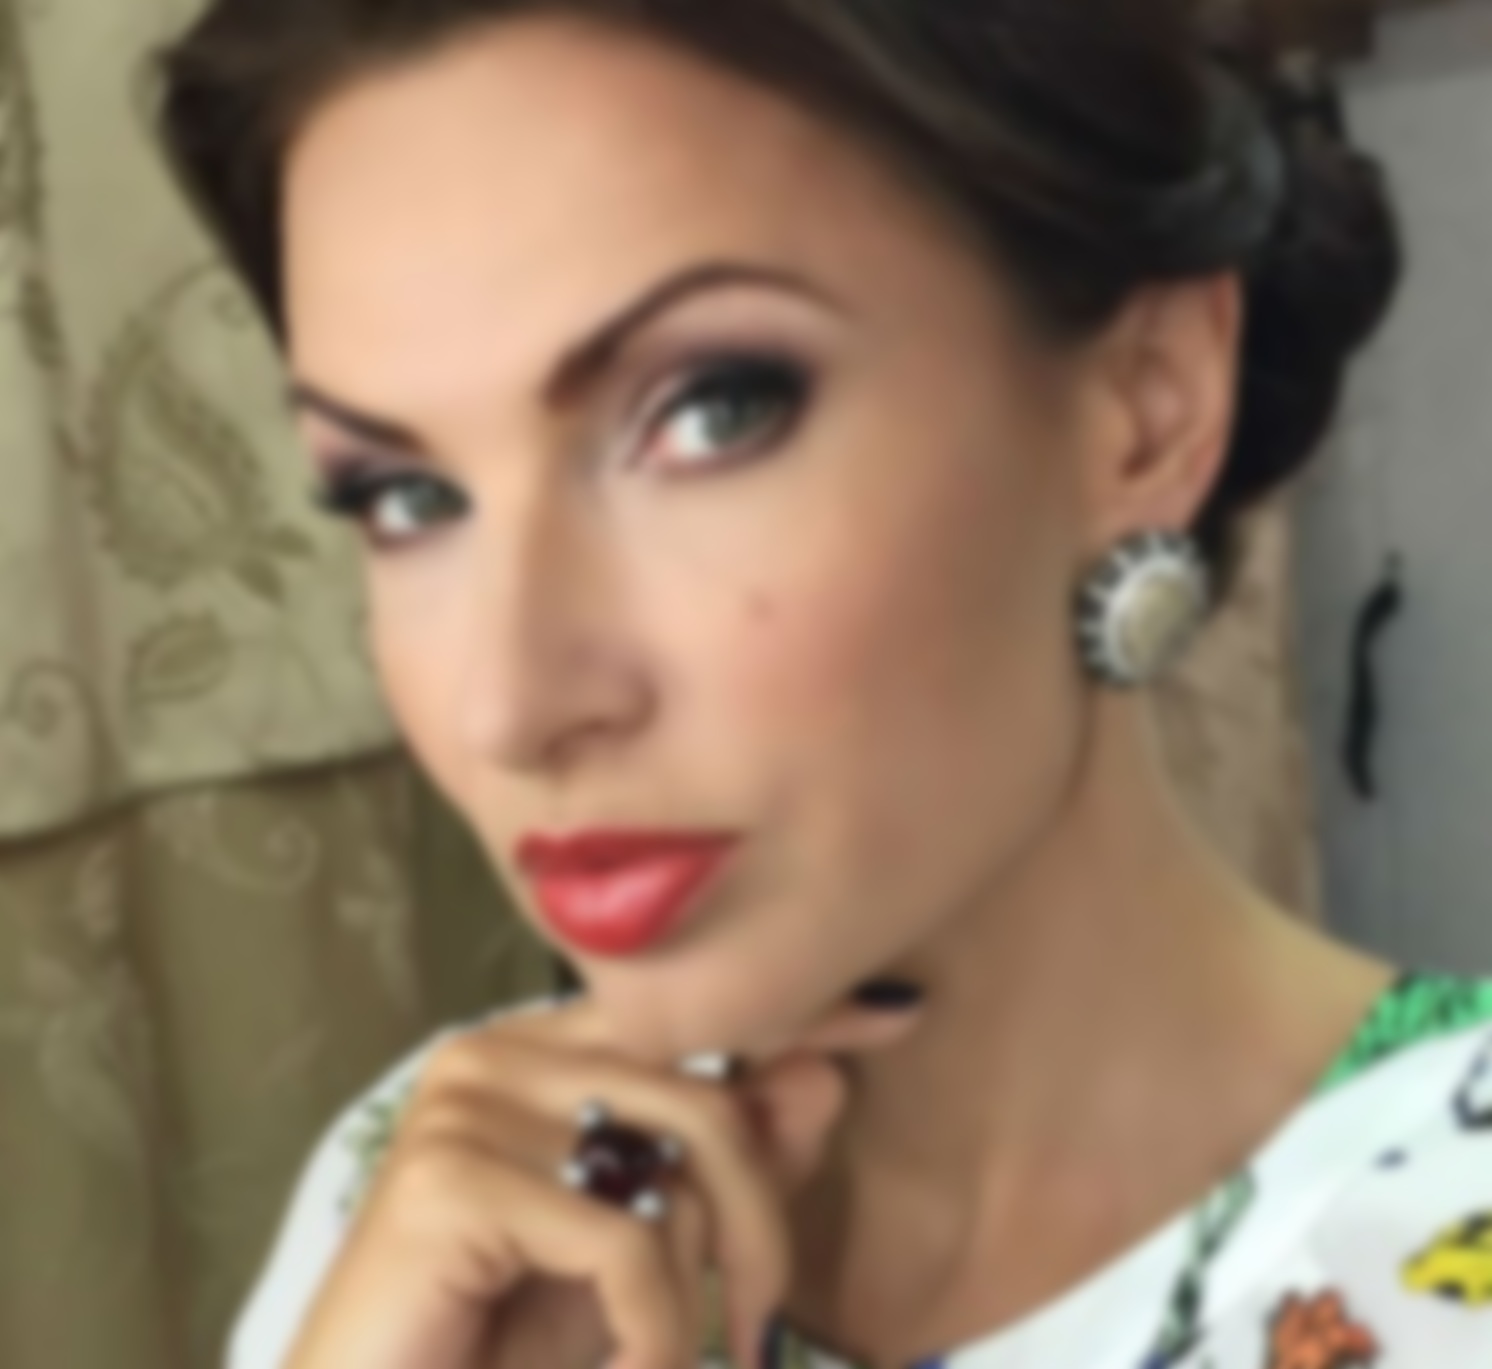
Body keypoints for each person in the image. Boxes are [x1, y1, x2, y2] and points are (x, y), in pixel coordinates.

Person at [157, 2, 1492, 1366]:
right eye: (403, 495)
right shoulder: (436, 1196)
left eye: (711, 411)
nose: (509, 706)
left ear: (1146, 407)